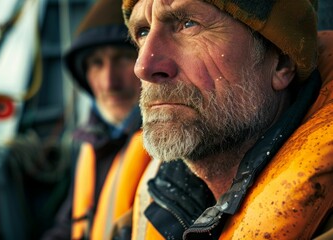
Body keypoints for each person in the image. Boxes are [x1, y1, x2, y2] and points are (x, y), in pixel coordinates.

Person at [118, 0, 333, 239]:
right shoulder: (143, 211)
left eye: (189, 24)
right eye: (143, 32)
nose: (143, 66)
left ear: (281, 62)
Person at [42, 0, 151, 239]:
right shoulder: (91, 141)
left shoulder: (174, 151)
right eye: (96, 63)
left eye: (123, 58)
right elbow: (67, 225)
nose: (109, 82)